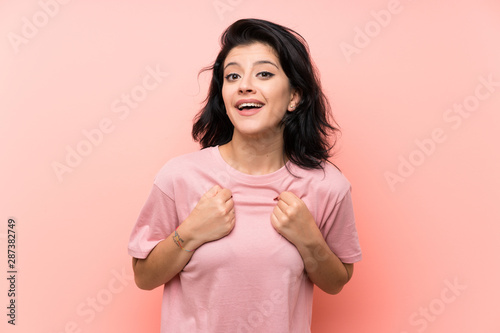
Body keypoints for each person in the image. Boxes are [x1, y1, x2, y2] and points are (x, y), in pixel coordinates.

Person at [128, 18, 362, 333]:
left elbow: (336, 282)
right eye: (232, 76)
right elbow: (144, 277)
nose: (244, 85)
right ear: (224, 97)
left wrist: (310, 241)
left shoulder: (327, 186)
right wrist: (192, 232)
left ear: (295, 96)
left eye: (264, 73)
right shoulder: (179, 176)